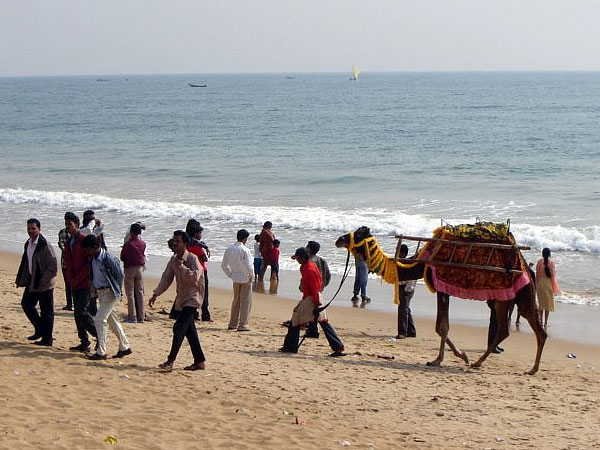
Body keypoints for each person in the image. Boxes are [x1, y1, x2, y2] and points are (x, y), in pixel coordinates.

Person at [149, 231, 206, 371]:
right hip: (181, 298)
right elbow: (166, 278)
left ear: (185, 243)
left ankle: (170, 361)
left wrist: (181, 266)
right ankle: (200, 361)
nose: (174, 243)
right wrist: (156, 294)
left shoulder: (192, 259)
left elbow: (194, 277)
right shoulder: (173, 260)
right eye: (173, 241)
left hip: (193, 298)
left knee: (178, 327)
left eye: (178, 241)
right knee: (190, 331)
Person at [281, 247, 345, 357]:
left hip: (313, 298)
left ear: (303, 258)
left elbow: (315, 288)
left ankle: (290, 347)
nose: (297, 261)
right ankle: (290, 346)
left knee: (297, 320)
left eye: (298, 258)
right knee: (321, 322)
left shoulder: (309, 269)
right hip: (310, 297)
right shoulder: (305, 267)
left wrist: (316, 305)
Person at [81, 235, 132, 360]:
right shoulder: (92, 258)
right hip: (99, 292)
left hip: (109, 292)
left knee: (100, 319)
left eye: (88, 250)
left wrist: (116, 291)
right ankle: (125, 347)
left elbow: (119, 275)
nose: (87, 252)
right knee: (112, 320)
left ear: (95, 247)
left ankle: (101, 351)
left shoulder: (108, 258)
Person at [15, 218, 58, 346]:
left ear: (39, 229)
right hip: (32, 282)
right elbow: (26, 262)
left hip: (45, 284)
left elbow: (53, 267)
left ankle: (47, 339)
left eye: (33, 228)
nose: (31, 231)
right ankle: (40, 329)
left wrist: (43, 281)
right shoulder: (27, 243)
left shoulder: (45, 245)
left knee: (47, 312)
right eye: (29, 229)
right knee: (26, 304)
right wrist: (22, 279)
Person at [64, 212, 98, 352]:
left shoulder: (84, 240)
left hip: (85, 282)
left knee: (82, 311)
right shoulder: (68, 242)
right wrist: (71, 278)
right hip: (74, 282)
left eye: (70, 225)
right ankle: (84, 341)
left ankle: (99, 335)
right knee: (77, 313)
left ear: (77, 225)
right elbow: (68, 261)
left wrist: (79, 278)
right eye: (66, 225)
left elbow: (89, 261)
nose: (68, 227)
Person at [221, 229, 254, 331]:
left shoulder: (229, 248)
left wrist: (230, 274)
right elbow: (249, 266)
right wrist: (251, 276)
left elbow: (224, 265)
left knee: (236, 301)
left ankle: (232, 323)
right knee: (246, 302)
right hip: (245, 278)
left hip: (235, 278)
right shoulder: (245, 250)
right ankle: (242, 324)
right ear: (245, 239)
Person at [304, 240, 331, 339]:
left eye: (307, 246)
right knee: (314, 310)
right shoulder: (322, 260)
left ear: (310, 249)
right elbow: (328, 275)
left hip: (312, 289)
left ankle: (312, 330)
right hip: (319, 288)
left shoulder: (309, 261)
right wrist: (323, 285)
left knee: (313, 310)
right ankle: (312, 329)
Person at [186, 219, 211, 322]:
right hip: (201, 270)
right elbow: (204, 258)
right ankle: (205, 315)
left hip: (190, 270)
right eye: (200, 233)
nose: (201, 235)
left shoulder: (186, 244)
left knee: (192, 293)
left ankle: (194, 314)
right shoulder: (198, 246)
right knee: (204, 294)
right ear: (196, 234)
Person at [120, 223, 146, 323]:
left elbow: (122, 257)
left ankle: (132, 316)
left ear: (131, 233)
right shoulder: (142, 243)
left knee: (130, 294)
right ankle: (141, 316)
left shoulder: (128, 244)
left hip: (130, 268)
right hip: (139, 268)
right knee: (139, 293)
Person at [536, 248, 561, 330]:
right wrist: (554, 287)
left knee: (541, 305)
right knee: (547, 305)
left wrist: (536, 285)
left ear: (542, 254)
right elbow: (553, 275)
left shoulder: (539, 261)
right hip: (548, 284)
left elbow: (537, 275)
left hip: (540, 285)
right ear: (549, 253)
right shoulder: (552, 262)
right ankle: (546, 323)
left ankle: (540, 322)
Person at [397, 244, 417, 339]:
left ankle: (402, 332)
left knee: (402, 309)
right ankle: (411, 331)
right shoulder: (399, 262)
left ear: (402, 253)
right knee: (406, 309)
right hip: (401, 287)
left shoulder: (408, 263)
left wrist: (407, 290)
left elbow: (412, 278)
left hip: (407, 288)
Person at [57, 225, 73, 310]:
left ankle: (74, 304)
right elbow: (61, 245)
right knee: (68, 284)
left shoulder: (79, 233)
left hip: (77, 264)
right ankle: (69, 304)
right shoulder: (63, 232)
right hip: (65, 263)